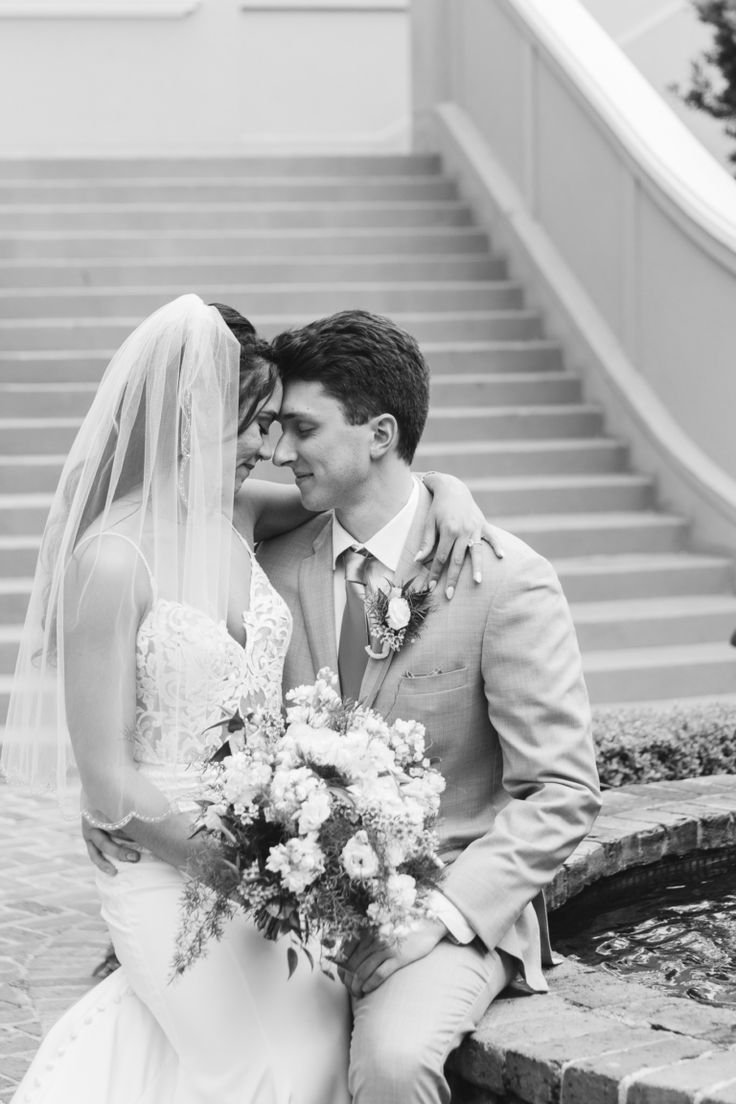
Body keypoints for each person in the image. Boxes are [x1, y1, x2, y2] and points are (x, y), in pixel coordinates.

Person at [3, 295, 495, 1104]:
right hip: (168, 868)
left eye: (275, 424)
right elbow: (106, 781)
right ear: (193, 417)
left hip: (266, 856)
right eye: (255, 425)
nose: (269, 447)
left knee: (314, 1043)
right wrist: (246, 872)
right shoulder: (112, 563)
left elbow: (369, 488)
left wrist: (447, 488)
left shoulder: (235, 514)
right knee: (260, 1071)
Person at [251, 310, 602, 1104]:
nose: (278, 451)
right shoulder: (266, 562)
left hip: (450, 900)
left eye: (303, 428)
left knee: (395, 1062)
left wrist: (437, 916)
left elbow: (564, 792)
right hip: (296, 898)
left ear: (379, 433)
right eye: (274, 427)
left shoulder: (506, 579)